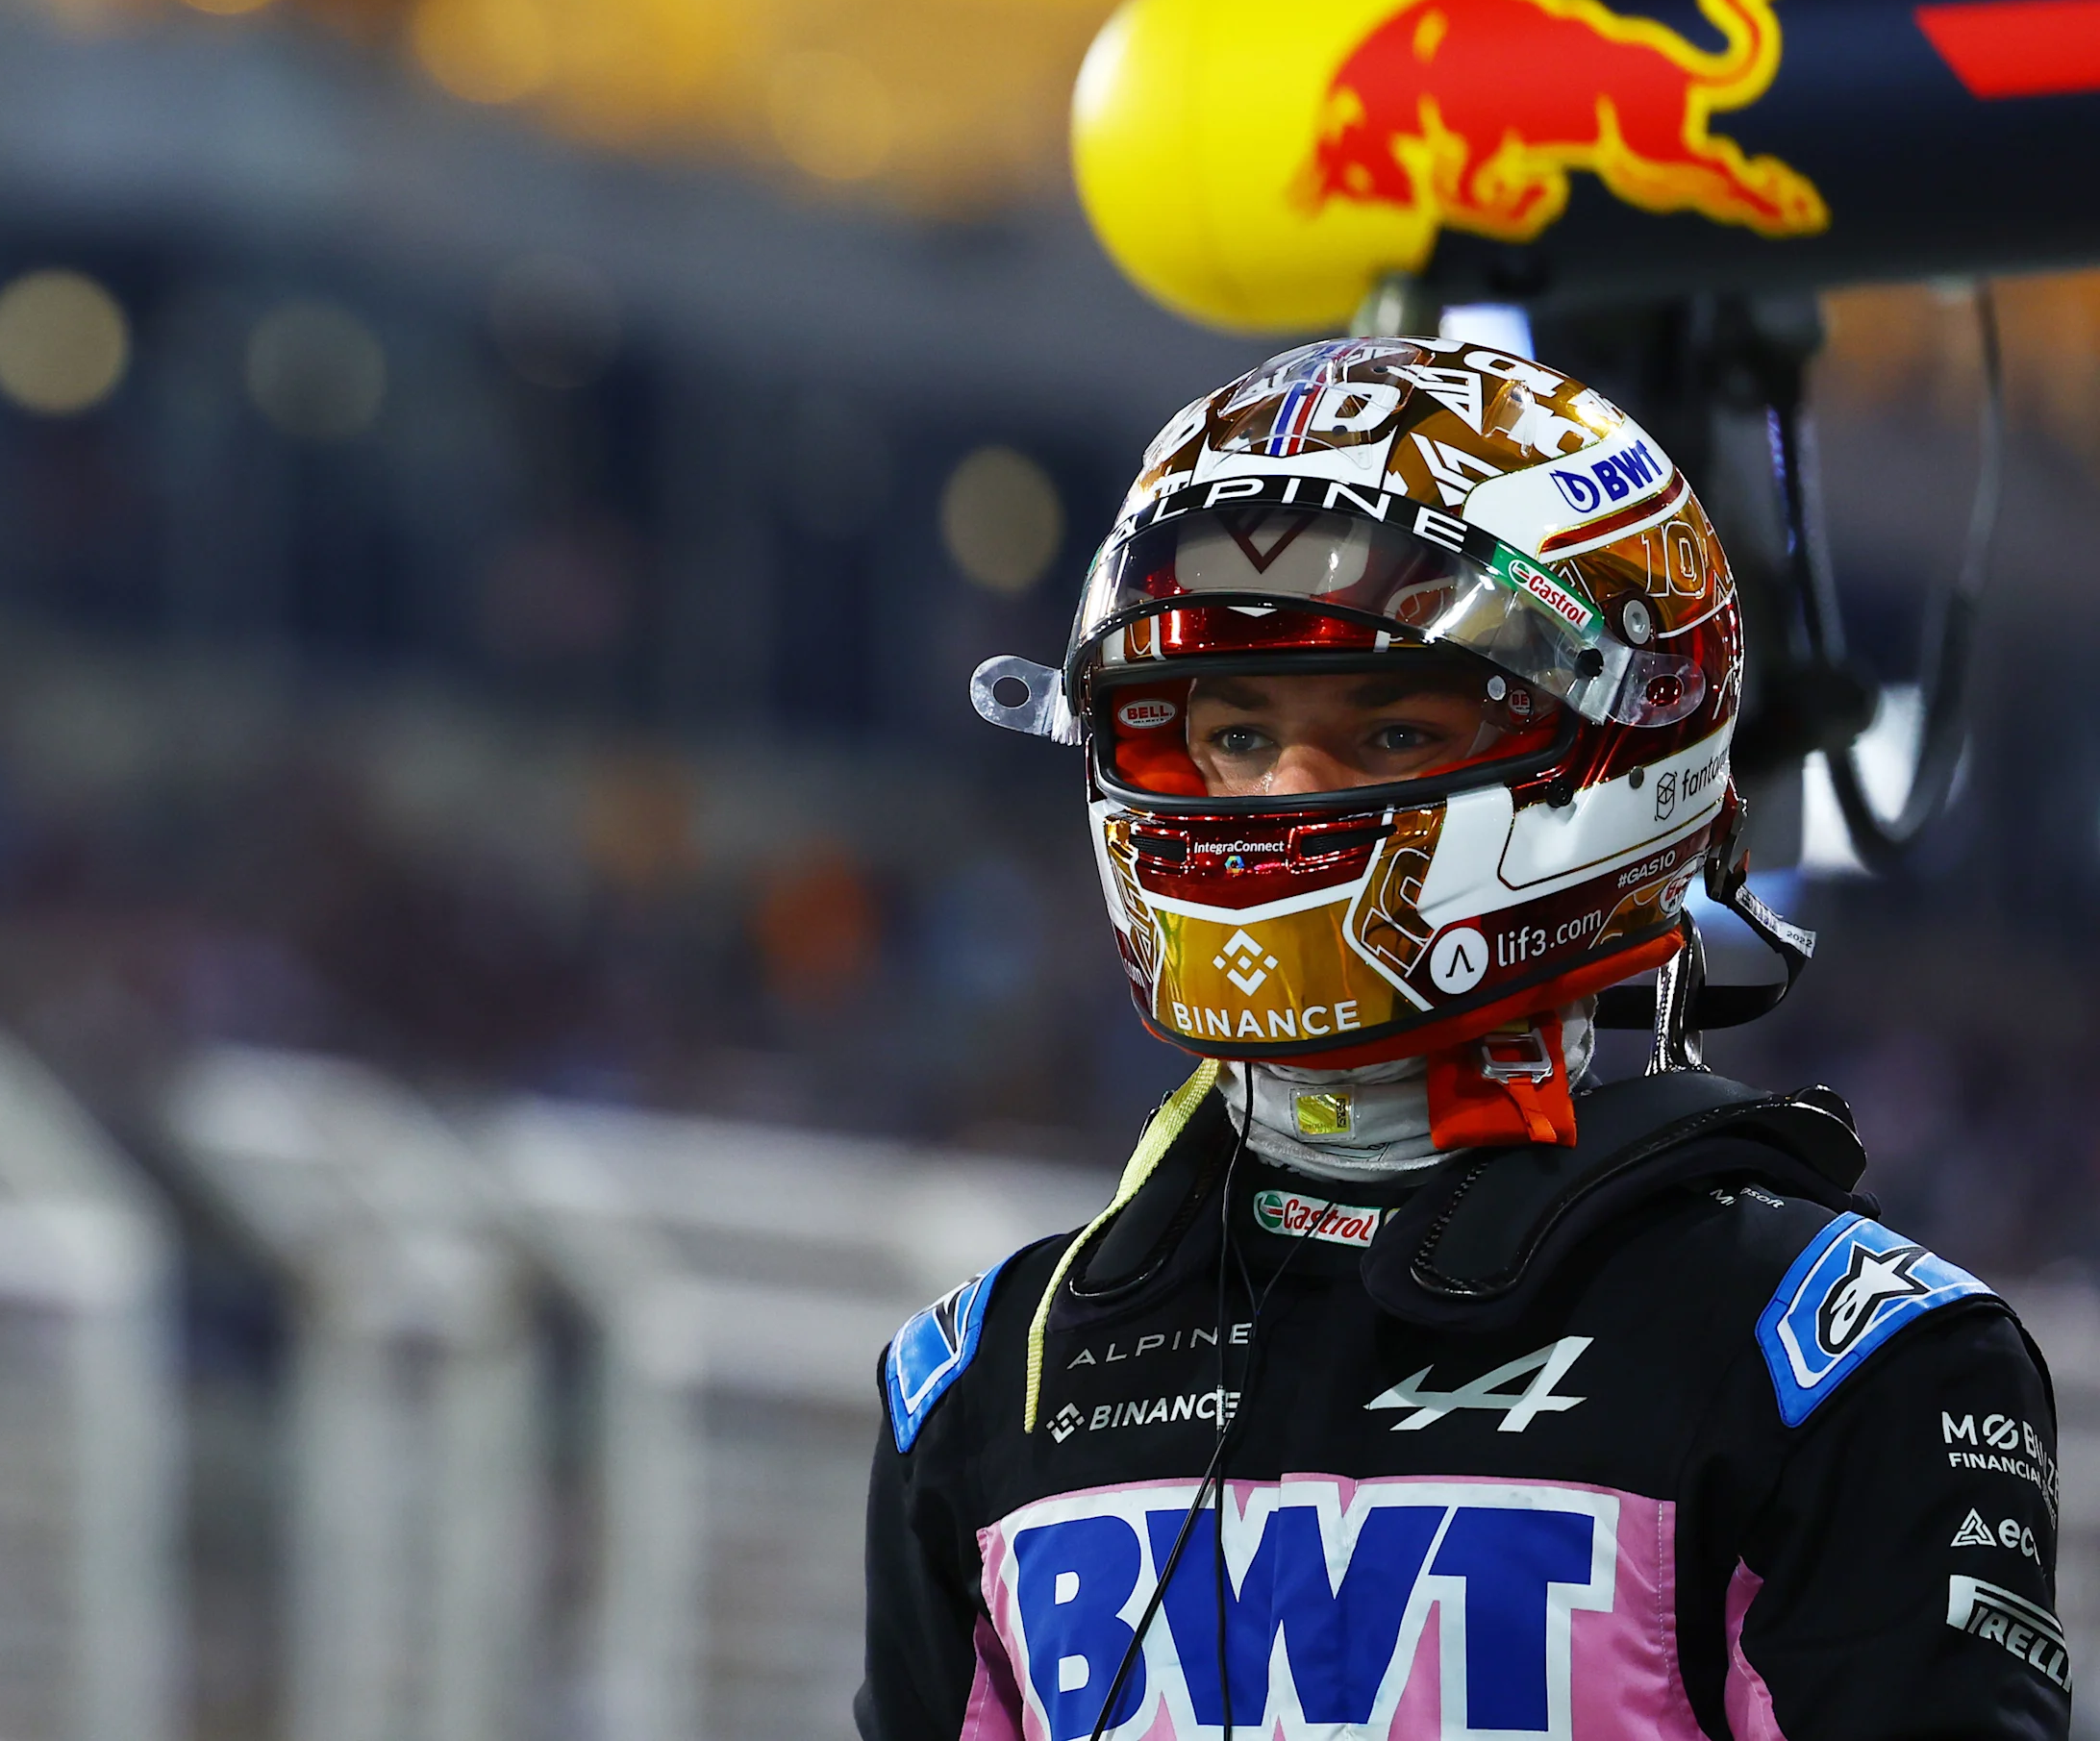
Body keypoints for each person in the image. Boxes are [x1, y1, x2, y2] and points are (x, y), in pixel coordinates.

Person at [861, 336, 2067, 1741]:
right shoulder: (976, 1376)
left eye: (1384, 734)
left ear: (1618, 743)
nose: (1278, 794)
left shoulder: (1846, 1358)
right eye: (1237, 735)